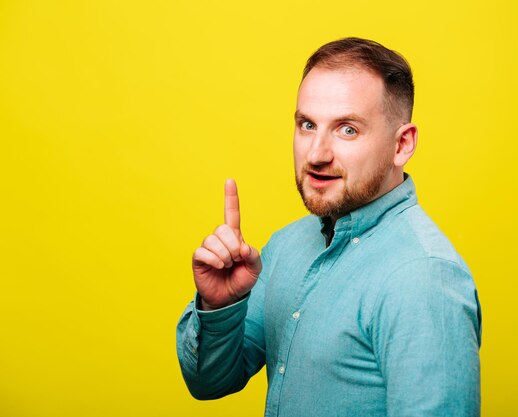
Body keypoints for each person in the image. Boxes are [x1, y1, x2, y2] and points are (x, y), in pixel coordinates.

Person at [176, 37, 482, 417]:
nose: (317, 154)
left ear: (402, 144)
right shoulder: (286, 245)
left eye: (347, 129)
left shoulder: (424, 277)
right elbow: (210, 383)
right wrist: (219, 306)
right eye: (307, 125)